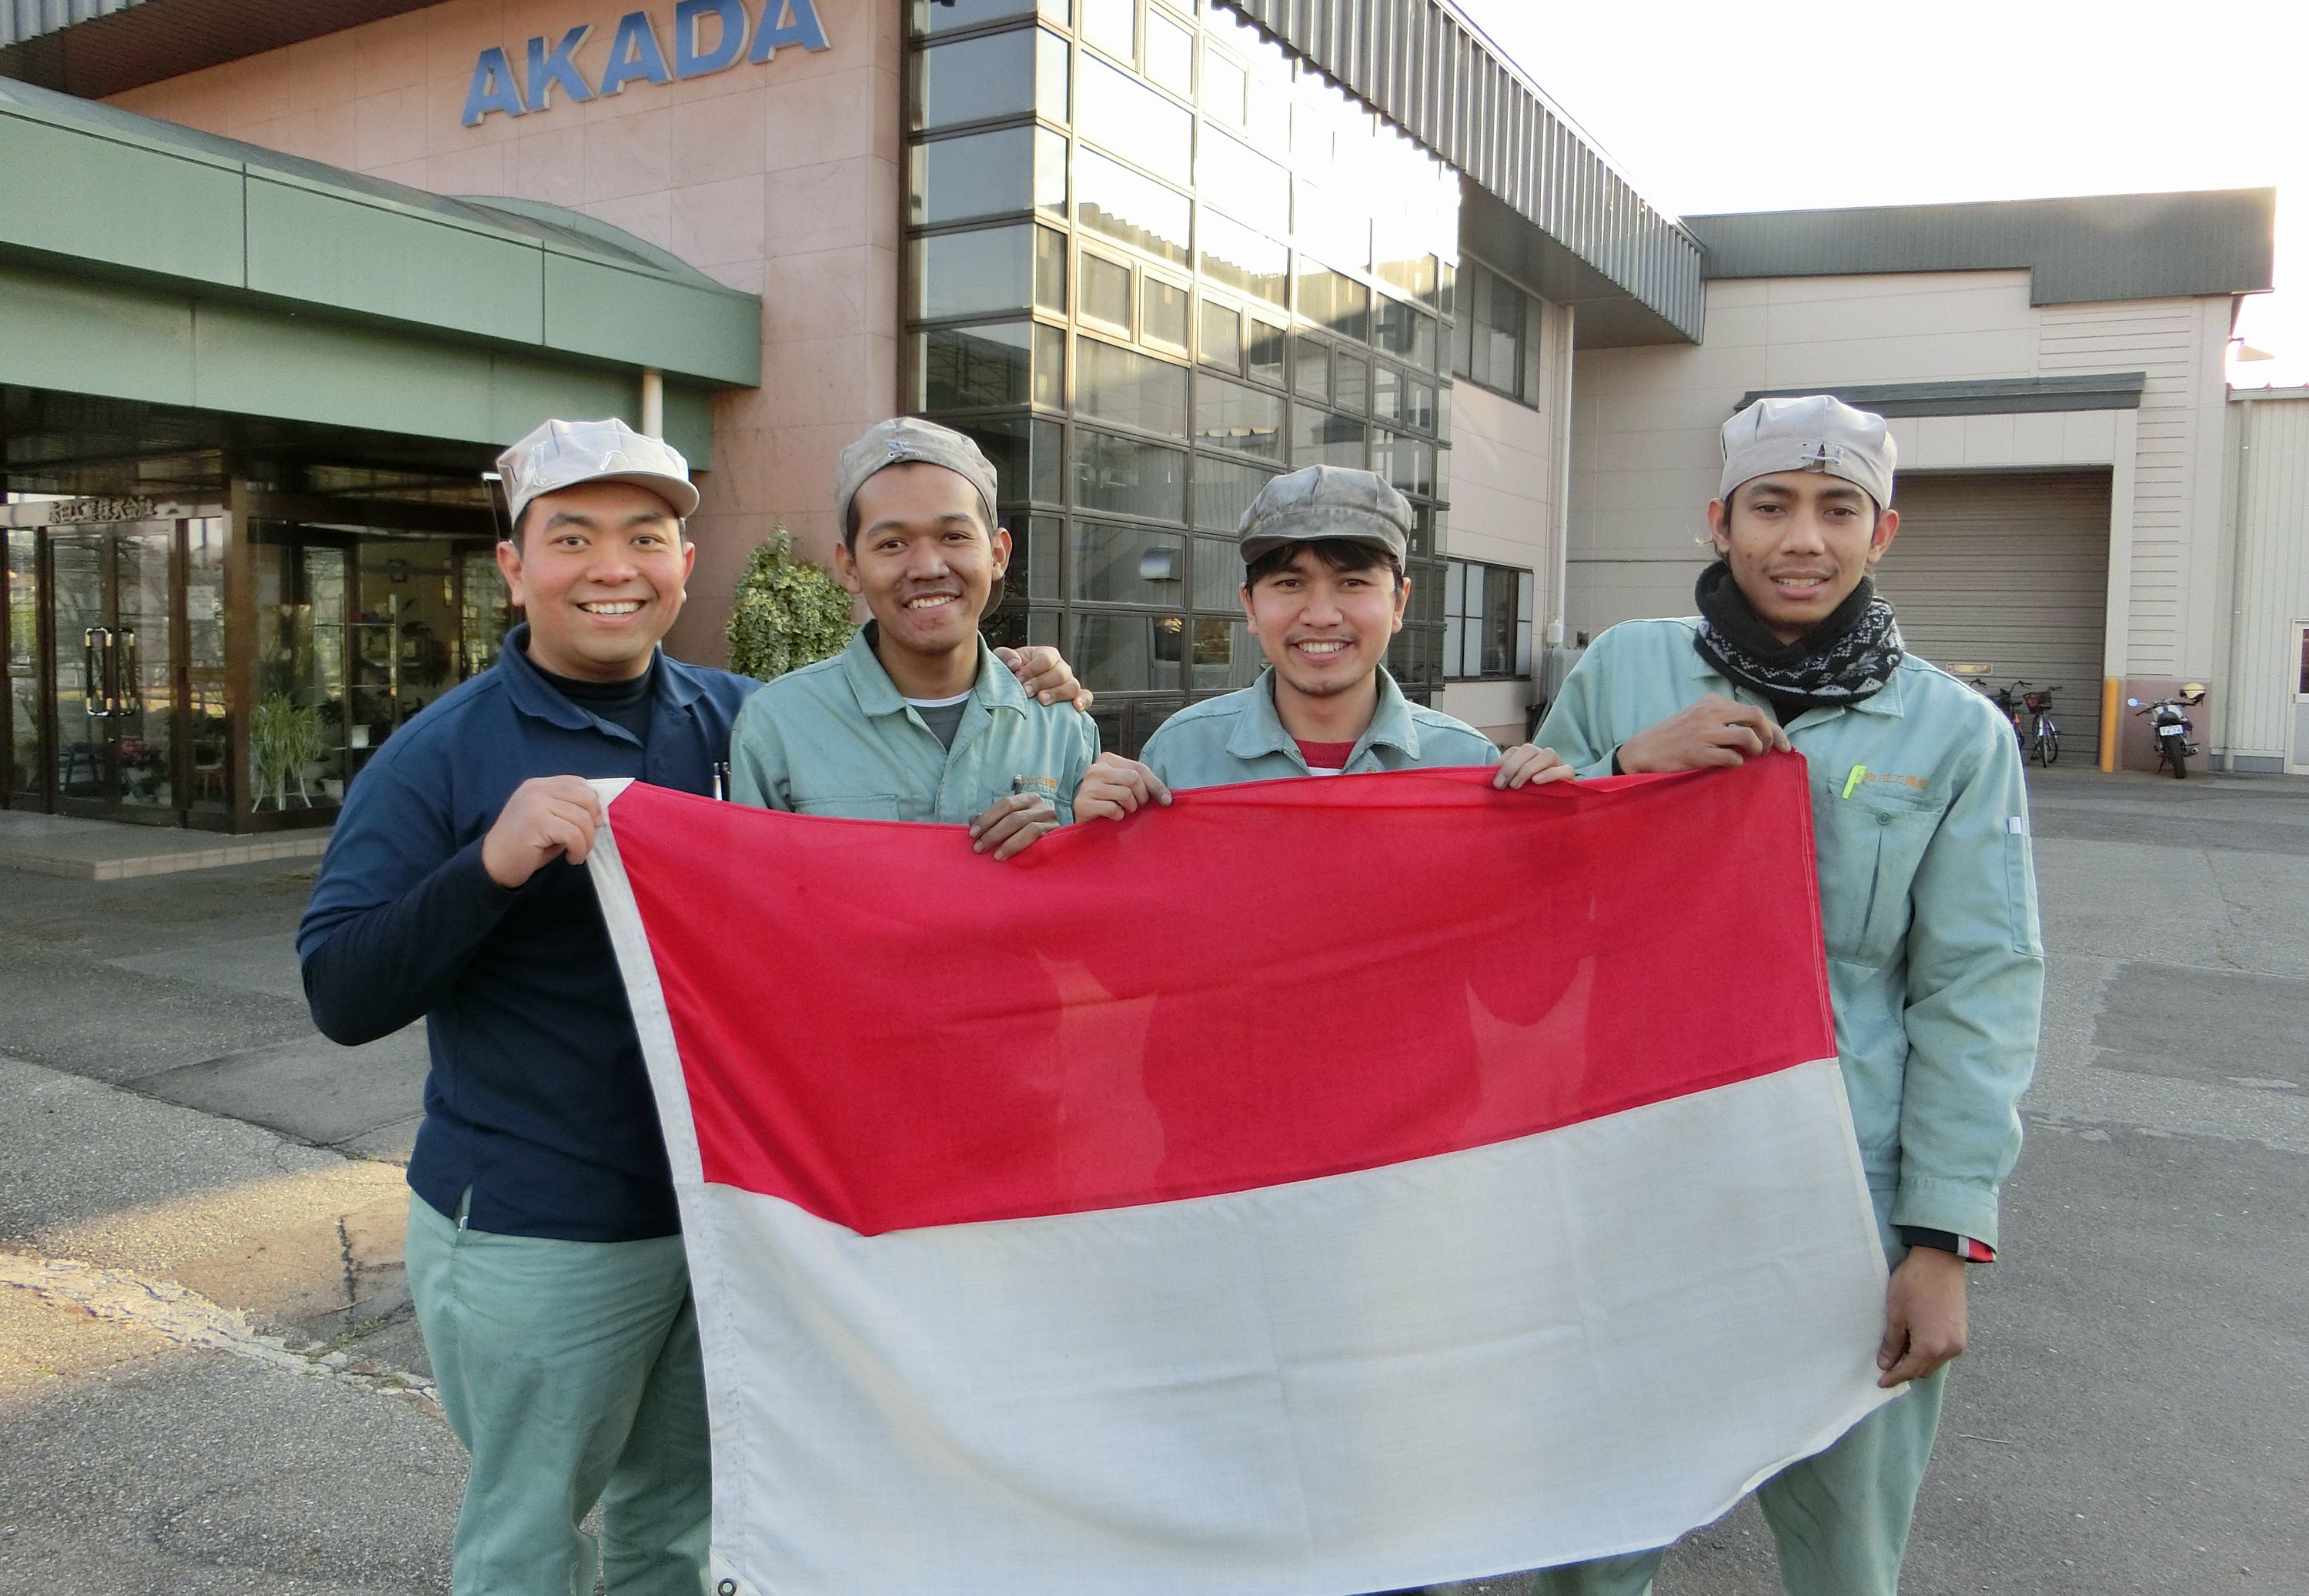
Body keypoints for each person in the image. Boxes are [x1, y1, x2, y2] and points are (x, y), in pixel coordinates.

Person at [298, 416, 1084, 1594]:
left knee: (679, 1529)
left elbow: (877, 848)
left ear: (683, 565)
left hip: (737, 1212)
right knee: (527, 1538)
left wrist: (1021, 685)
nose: (612, 567)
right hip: (543, 1221)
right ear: (513, 566)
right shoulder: (441, 752)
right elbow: (341, 988)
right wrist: (489, 865)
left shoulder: (740, 720)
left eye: (645, 536)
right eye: (573, 537)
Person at [1528, 395, 2044, 1596]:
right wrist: (1623, 772)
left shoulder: (1956, 733)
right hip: (1638, 1177)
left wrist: (1943, 1236)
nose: (1801, 538)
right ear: (1720, 520)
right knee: (1591, 1537)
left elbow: (1977, 988)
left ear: (1882, 531)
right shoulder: (1622, 671)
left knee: (1847, 1545)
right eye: (1771, 505)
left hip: (1847, 1196)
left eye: (1836, 509)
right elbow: (1523, 890)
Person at [1074, 463, 1569, 820]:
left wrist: (1556, 819)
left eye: (1352, 583)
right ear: (1250, 605)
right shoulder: (1179, 756)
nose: (1321, 616)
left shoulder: (1469, 766)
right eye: (1290, 584)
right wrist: (1090, 834)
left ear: (1399, 602)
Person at [730, 417, 1098, 857]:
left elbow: (1097, 884)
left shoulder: (1060, 726)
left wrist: (1063, 851)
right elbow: (754, 890)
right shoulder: (778, 726)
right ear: (850, 567)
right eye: (892, 544)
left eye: (954, 536)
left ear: (997, 554)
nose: (927, 567)